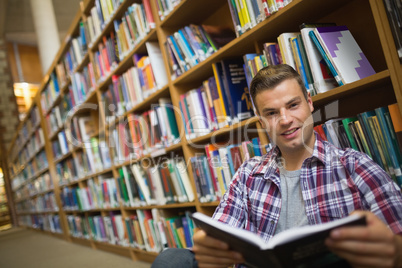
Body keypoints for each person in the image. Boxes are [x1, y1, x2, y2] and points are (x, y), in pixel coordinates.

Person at [152, 64, 402, 268]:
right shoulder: (249, 174)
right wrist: (206, 242)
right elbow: (220, 230)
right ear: (261, 121)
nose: (285, 120)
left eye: (293, 105)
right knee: (172, 260)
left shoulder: (356, 167)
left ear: (309, 102)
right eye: (271, 113)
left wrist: (391, 250)